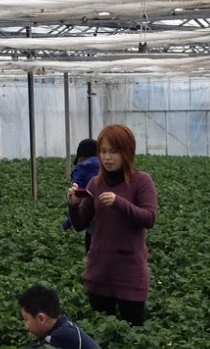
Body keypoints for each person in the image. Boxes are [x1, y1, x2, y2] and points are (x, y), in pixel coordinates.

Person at [65, 124, 158, 326]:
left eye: (113, 152)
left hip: (130, 275)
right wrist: (73, 206)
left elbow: (149, 218)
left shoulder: (141, 181)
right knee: (99, 338)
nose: (107, 158)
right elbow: (80, 224)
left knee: (133, 336)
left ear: (127, 152)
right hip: (99, 272)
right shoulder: (95, 184)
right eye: (103, 152)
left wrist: (120, 203)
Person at [18, 284, 107, 349]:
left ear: (41, 318)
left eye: (26, 319)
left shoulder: (62, 334)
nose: (26, 326)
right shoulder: (65, 326)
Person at [60, 138, 100, 241]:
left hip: (94, 227)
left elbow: (79, 195)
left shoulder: (81, 168)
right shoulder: (109, 165)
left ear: (81, 157)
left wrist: (67, 223)